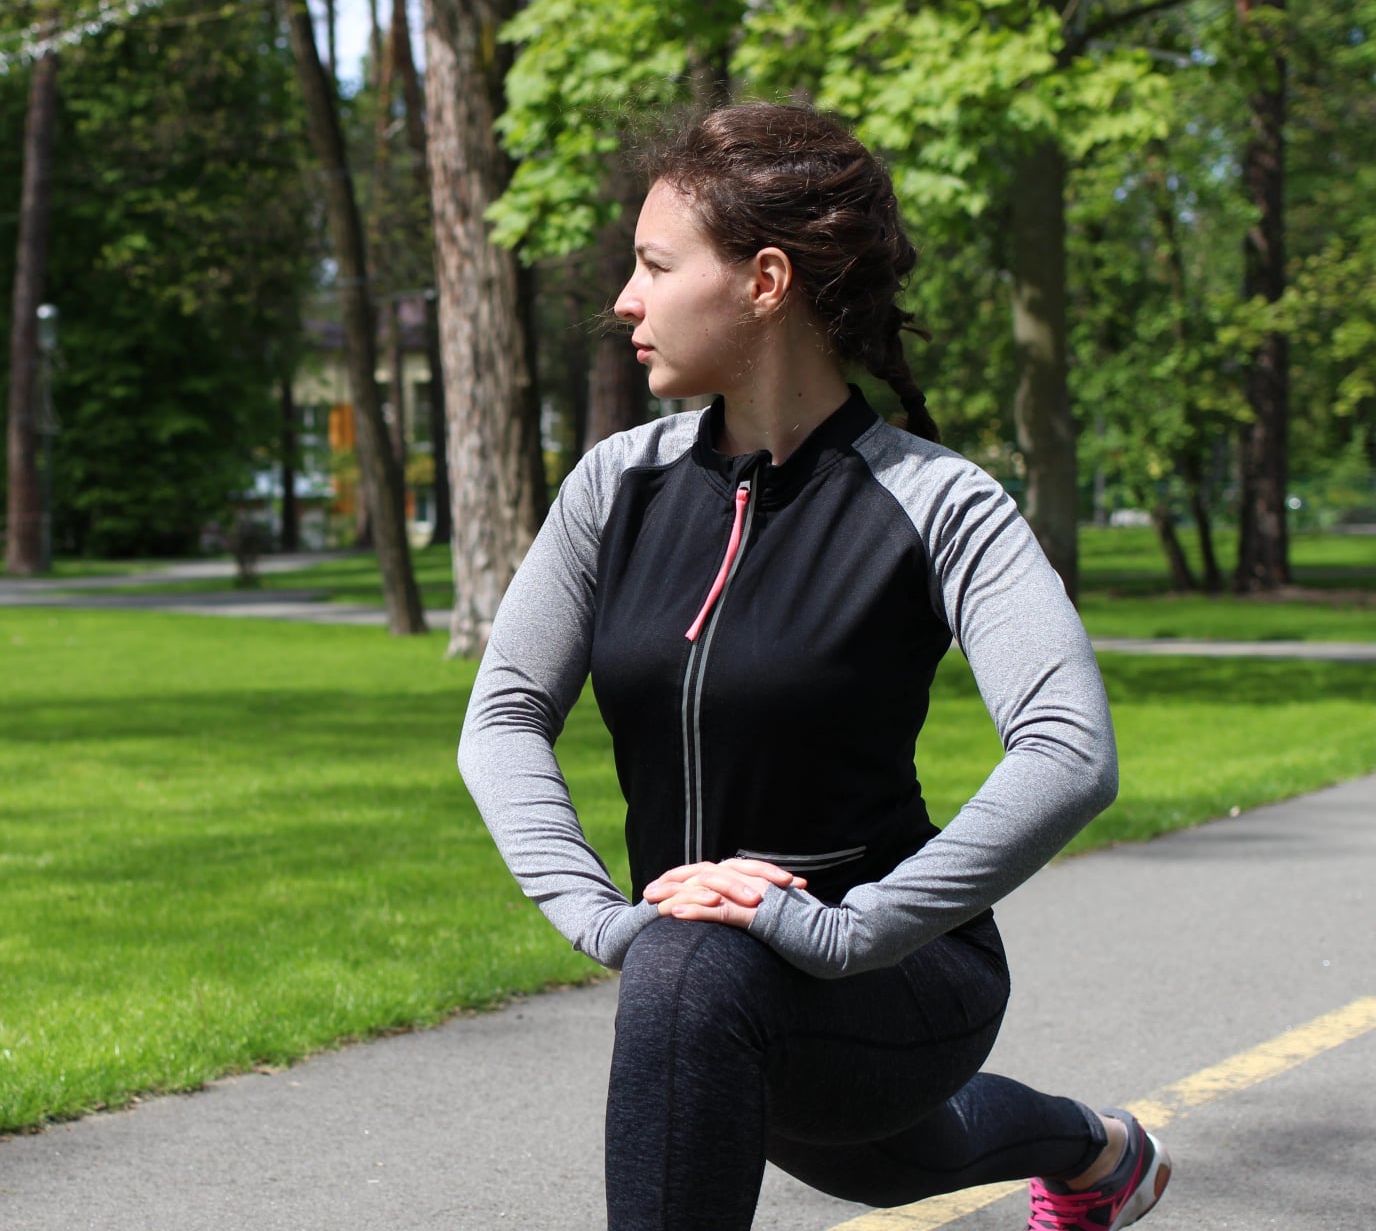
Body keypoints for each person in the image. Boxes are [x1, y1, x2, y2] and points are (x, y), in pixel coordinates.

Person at [457, 101, 1172, 1231]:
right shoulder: (614, 487)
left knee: (703, 987)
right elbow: (502, 715)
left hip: (898, 972)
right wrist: (602, 917)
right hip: (705, 985)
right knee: (894, 1158)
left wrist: (849, 928)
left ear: (765, 280)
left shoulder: (938, 501)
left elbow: (1071, 748)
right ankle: (1101, 1151)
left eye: (653, 264)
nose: (624, 301)